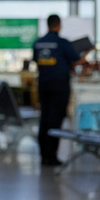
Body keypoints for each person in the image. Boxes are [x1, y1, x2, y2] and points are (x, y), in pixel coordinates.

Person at [33, 13, 79, 167]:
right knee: (55, 120)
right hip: (59, 86)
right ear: (59, 25)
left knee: (44, 118)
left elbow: (36, 61)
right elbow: (75, 59)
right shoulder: (62, 43)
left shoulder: (38, 43)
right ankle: (52, 156)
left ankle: (43, 155)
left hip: (43, 85)